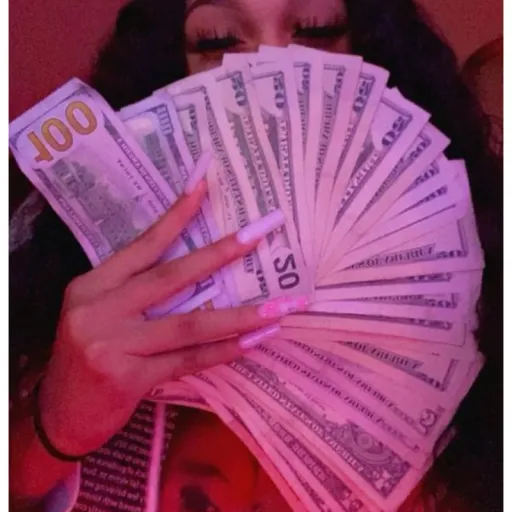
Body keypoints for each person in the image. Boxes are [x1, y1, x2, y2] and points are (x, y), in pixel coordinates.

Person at [9, 0, 503, 510]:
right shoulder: (62, 280)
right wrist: (51, 434)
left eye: (317, 31)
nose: (269, 70)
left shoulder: (473, 301)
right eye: (218, 40)